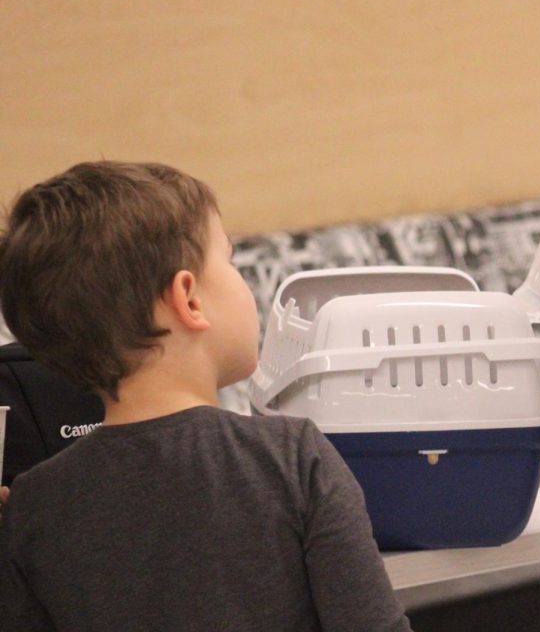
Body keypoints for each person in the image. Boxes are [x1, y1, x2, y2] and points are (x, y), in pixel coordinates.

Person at [0, 161, 412, 631]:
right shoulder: (292, 458)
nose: (243, 282)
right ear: (189, 298)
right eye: (231, 260)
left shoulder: (32, 507)